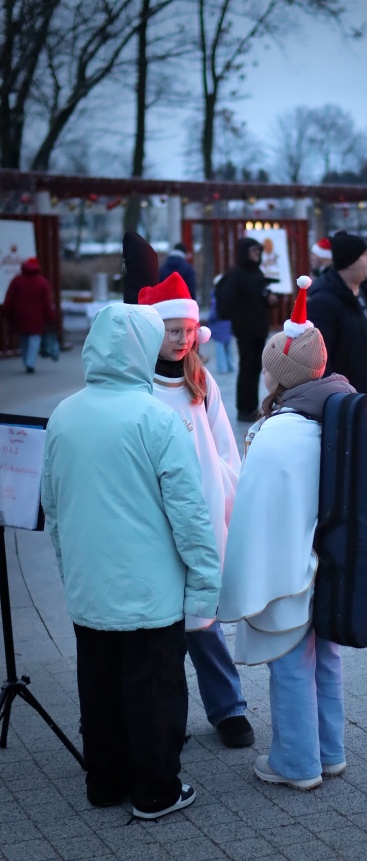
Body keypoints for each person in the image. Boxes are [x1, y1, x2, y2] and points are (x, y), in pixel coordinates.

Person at [41, 303, 221, 819]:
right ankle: (156, 790)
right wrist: (204, 586)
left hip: (90, 588)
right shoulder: (156, 418)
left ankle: (105, 781)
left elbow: (53, 506)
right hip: (150, 590)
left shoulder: (63, 415)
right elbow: (189, 514)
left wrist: (69, 570)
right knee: (154, 692)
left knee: (99, 690)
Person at [218, 279, 354, 790]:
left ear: (280, 373)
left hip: (291, 568)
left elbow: (256, 514)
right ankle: (330, 751)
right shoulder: (342, 410)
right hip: (334, 562)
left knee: (292, 661)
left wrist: (241, 579)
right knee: (327, 657)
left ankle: (296, 764)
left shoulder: (280, 431)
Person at [137, 272, 254, 748]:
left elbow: (224, 444)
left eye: (188, 330)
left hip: (202, 513)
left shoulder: (200, 380)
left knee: (204, 619)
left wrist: (226, 491)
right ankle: (165, 716)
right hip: (154, 518)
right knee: (161, 625)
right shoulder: (138, 385)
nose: (182, 339)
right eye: (172, 331)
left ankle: (228, 706)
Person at [307, 230, 367, 406]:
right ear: (350, 262)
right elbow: (319, 357)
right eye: (364, 255)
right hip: (345, 401)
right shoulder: (323, 301)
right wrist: (336, 396)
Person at [216, 236, 278, 422]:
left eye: (258, 251)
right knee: (247, 368)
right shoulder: (236, 273)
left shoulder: (256, 272)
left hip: (258, 327)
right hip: (245, 329)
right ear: (244, 252)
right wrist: (240, 316)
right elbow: (225, 300)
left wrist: (268, 299)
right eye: (253, 251)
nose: (257, 254)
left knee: (255, 368)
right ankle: (244, 409)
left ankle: (252, 407)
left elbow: (257, 296)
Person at [3, 256, 56, 373]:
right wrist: (51, 317)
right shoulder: (42, 282)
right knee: (34, 340)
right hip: (37, 317)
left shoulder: (16, 281)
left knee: (23, 339)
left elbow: (9, 299)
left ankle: (26, 360)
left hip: (19, 316)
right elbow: (47, 303)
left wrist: (5, 313)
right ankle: (30, 362)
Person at [208, 277, 235, 373]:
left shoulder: (216, 297)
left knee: (219, 348)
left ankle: (222, 368)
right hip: (228, 325)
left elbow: (214, 314)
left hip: (218, 326)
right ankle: (231, 366)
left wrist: (209, 320)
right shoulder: (229, 296)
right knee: (228, 348)